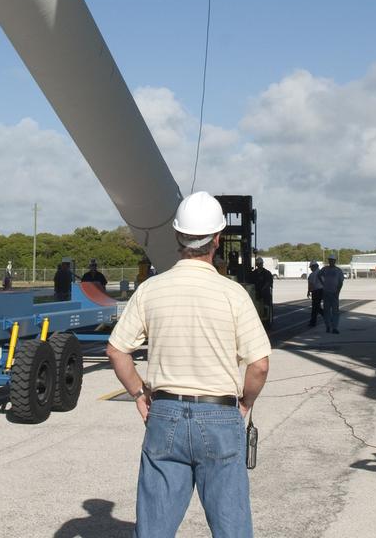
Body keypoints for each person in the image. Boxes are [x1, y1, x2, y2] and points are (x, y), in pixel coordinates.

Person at [106, 191, 271, 538]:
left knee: (154, 528)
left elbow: (117, 351)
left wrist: (139, 394)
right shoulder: (233, 294)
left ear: (178, 236)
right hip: (220, 415)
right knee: (232, 527)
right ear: (217, 239)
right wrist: (245, 404)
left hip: (164, 414)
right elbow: (259, 365)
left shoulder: (151, 290)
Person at [318, 253, 345, 333]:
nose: (331, 261)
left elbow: (340, 282)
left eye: (332, 260)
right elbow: (319, 276)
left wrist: (338, 291)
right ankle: (328, 326)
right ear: (328, 260)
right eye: (330, 260)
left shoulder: (338, 270)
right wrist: (323, 284)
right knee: (326, 311)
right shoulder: (324, 269)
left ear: (335, 261)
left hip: (334, 293)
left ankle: (334, 327)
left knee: (335, 311)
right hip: (326, 292)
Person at [306, 261, 323, 328]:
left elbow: (311, 284)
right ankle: (313, 321)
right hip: (322, 291)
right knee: (317, 307)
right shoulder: (322, 272)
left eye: (311, 267)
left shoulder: (312, 275)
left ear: (314, 267)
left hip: (316, 291)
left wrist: (309, 291)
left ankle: (313, 322)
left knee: (315, 307)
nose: (310, 269)